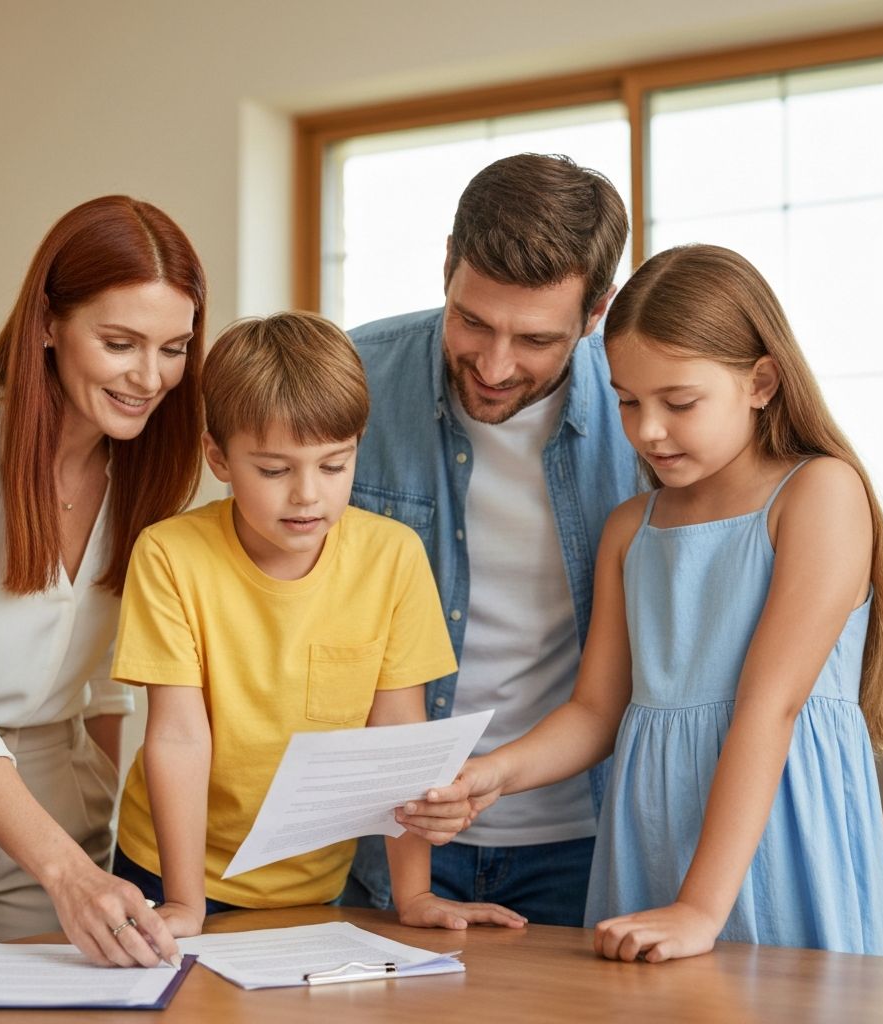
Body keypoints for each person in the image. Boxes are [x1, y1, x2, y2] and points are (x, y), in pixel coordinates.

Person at [407, 244, 883, 959]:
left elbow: (771, 706)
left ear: (761, 382)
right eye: (628, 402)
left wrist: (698, 906)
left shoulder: (818, 495)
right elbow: (596, 711)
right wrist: (492, 774)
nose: (647, 430)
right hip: (653, 839)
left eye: (679, 402)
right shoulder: (631, 528)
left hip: (777, 836)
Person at [0, 195, 207, 968]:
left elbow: (115, 685)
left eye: (174, 348)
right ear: (48, 325)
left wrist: (90, 826)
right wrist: (68, 872)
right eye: (120, 343)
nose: (150, 378)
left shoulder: (147, 471)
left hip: (64, 793)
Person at [108, 311, 526, 934]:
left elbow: (397, 743)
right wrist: (184, 902)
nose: (308, 494)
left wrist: (412, 898)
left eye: (334, 466)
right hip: (167, 872)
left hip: (312, 884)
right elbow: (177, 738)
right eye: (275, 470)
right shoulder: (170, 555)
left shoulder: (394, 556)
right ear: (218, 458)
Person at [341, 153, 641, 924]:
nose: (495, 364)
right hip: (380, 836)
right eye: (472, 320)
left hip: (582, 839)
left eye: (536, 339)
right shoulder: (356, 382)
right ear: (447, 263)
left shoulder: (647, 418)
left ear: (596, 310)